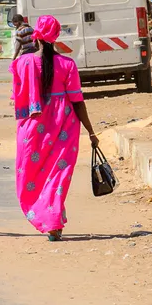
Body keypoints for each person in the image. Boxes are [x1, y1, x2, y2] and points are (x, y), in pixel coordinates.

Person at [12, 15, 100, 241]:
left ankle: (49, 218)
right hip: (64, 126)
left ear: (36, 36)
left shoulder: (22, 63)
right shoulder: (68, 65)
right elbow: (78, 101)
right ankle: (53, 221)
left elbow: (18, 99)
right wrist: (90, 131)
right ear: (56, 37)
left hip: (33, 129)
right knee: (57, 176)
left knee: (32, 175)